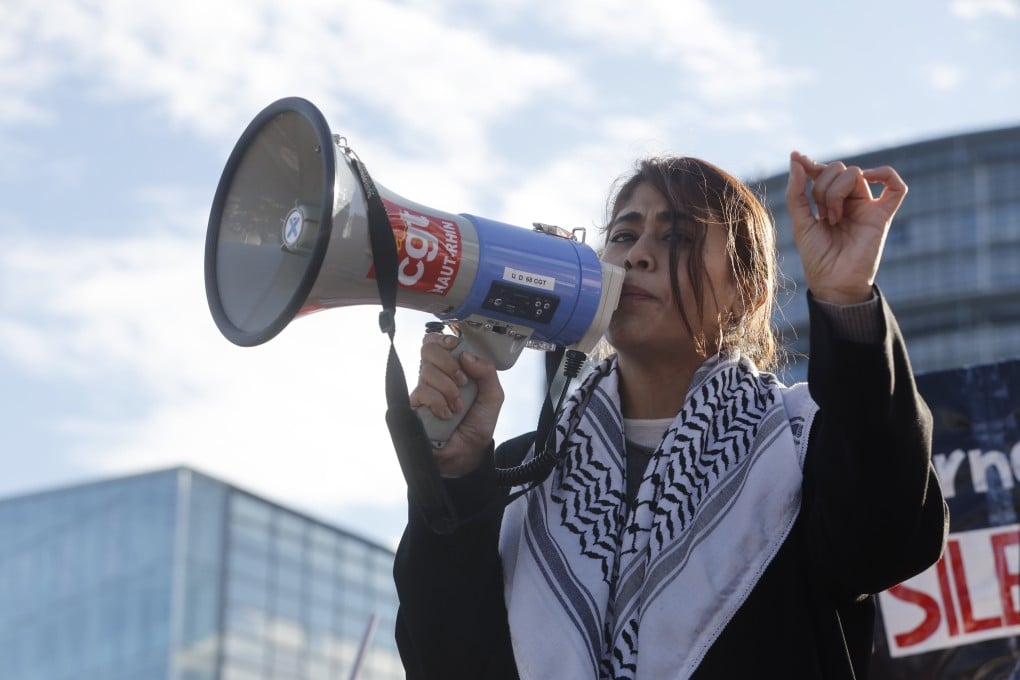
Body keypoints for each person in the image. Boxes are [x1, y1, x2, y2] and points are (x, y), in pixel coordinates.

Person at [393, 151, 949, 679]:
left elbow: (890, 539)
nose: (637, 254)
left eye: (678, 236)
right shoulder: (520, 472)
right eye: (624, 235)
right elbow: (442, 660)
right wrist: (458, 477)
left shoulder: (805, 441)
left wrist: (847, 299)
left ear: (747, 291)